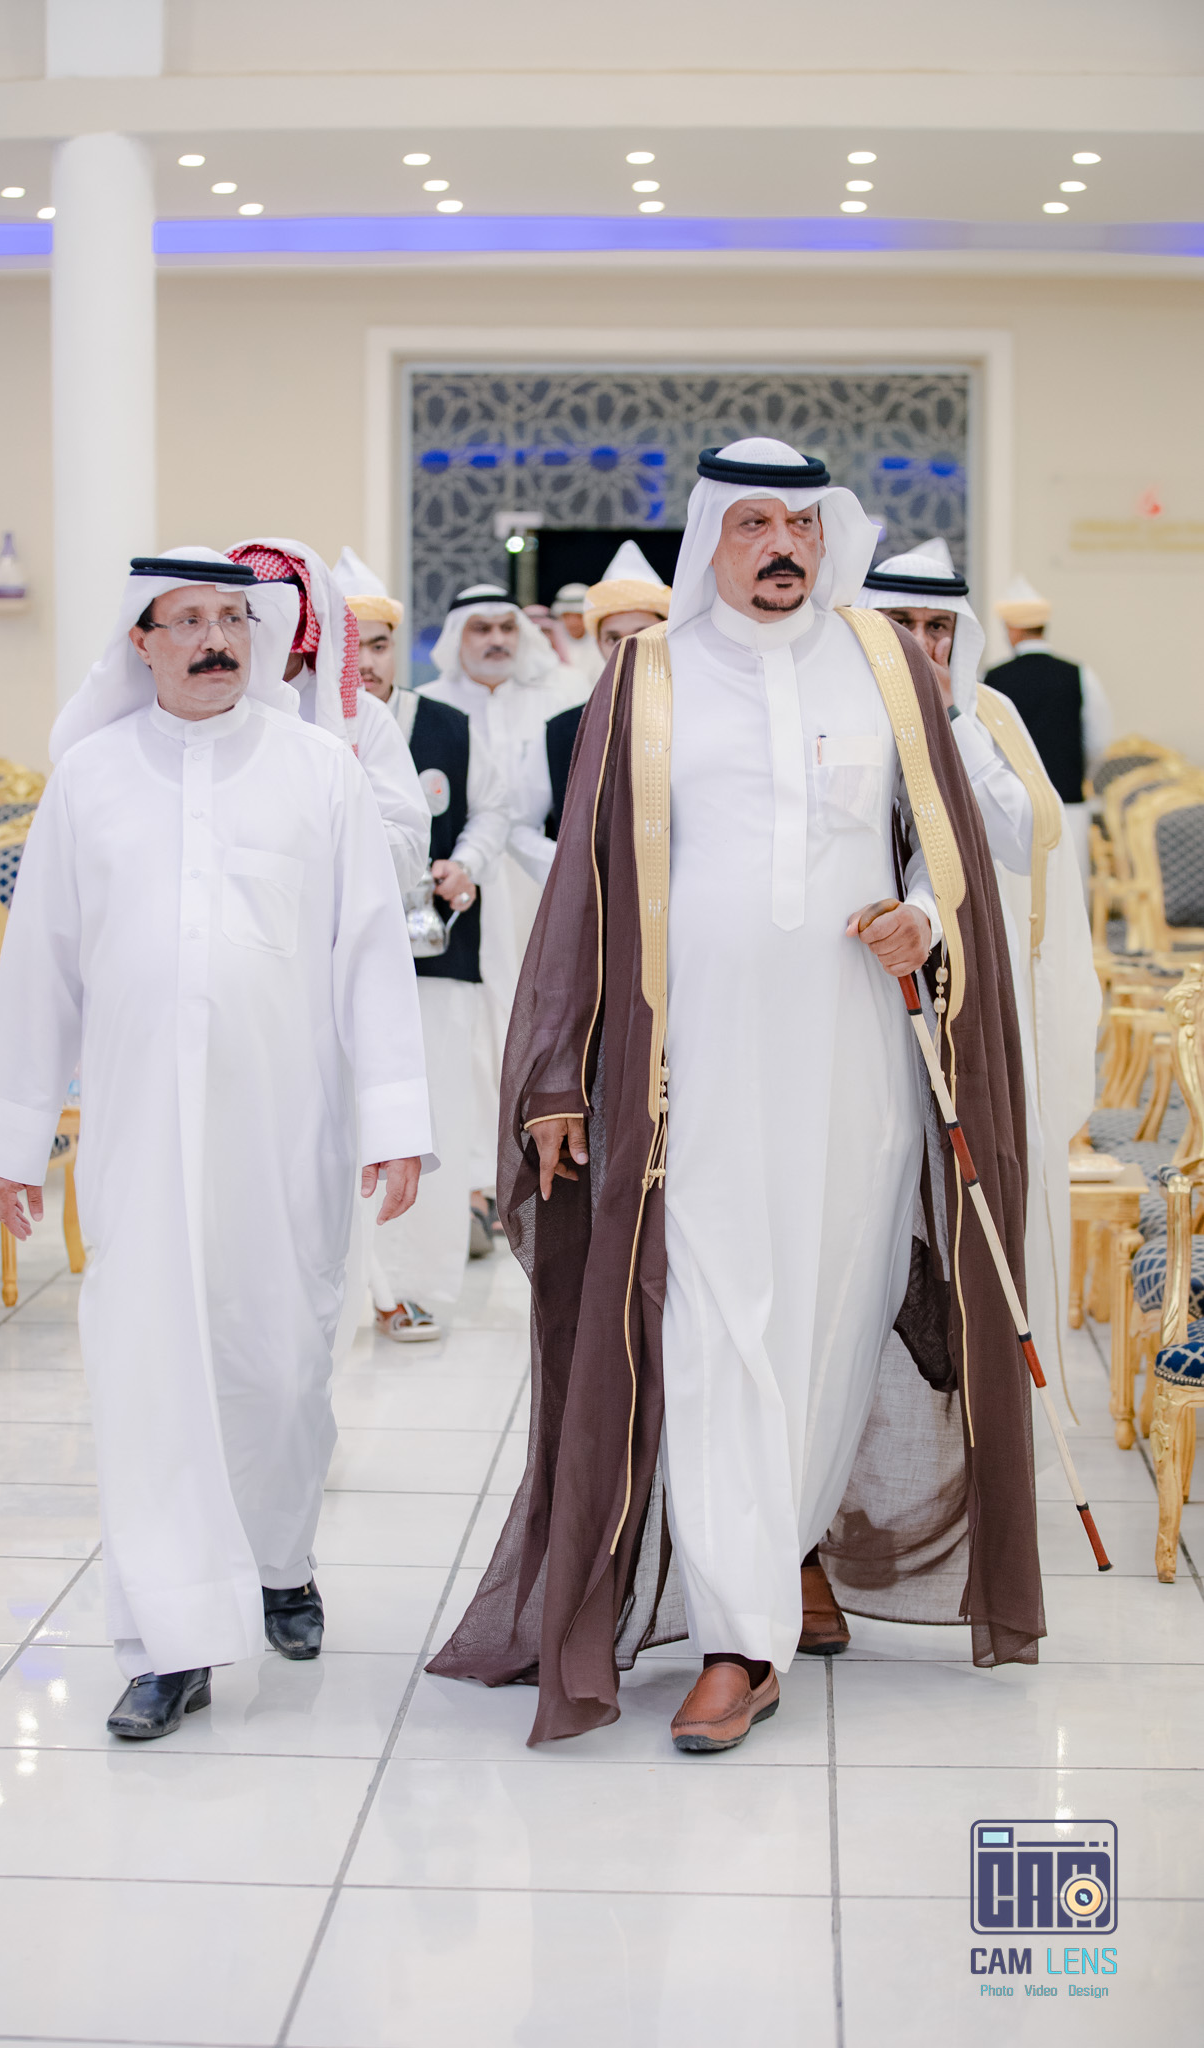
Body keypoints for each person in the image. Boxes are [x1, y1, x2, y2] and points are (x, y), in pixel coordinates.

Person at [429, 439, 1038, 1755]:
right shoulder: (649, 673)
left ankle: (782, 1550)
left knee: (831, 1319)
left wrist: (924, 918)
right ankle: (737, 1637)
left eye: (800, 523)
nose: (780, 544)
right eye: (752, 521)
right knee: (711, 1324)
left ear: (826, 538)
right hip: (689, 1066)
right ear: (712, 536)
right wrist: (556, 1068)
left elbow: (945, 849)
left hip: (854, 1067)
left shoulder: (885, 663)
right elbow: (587, 882)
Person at [0, 549, 432, 1740]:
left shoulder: (320, 772)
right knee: (147, 1367)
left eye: (233, 618)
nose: (215, 639)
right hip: (135, 1134)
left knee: (279, 1369)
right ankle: (166, 1638)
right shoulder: (89, 779)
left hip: (289, 1126)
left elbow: (370, 955)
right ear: (143, 639)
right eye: (188, 620)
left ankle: (279, 1562)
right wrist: (12, 1135)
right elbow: (41, 963)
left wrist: (395, 1120)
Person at [862, 540, 1101, 1411]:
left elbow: (1027, 838)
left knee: (955, 1215)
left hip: (959, 1006)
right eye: (899, 623)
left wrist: (948, 715)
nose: (920, 643)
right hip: (845, 1009)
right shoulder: (828, 711)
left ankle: (959, 1422)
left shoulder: (985, 714)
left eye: (938, 627)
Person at [333, 548, 511, 1321]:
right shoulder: (293, 730)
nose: (366, 664)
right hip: (333, 963)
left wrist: (466, 864)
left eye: (378, 646)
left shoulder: (447, 725)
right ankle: (348, 1287)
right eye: (351, 647)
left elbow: (493, 810)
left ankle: (415, 1289)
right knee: (339, 1118)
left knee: (432, 1115)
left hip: (438, 952)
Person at [419, 585, 578, 1236]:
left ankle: (530, 1172)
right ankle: (472, 1186)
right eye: (480, 629)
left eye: (505, 628)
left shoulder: (556, 703)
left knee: (532, 1022)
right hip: (463, 898)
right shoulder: (429, 707)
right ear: (456, 636)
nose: (495, 641)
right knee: (472, 1035)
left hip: (537, 891)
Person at [225, 537, 430, 893]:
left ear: (302, 622)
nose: (253, 629)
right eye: (236, 616)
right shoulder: (206, 709)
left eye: (263, 615)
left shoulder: (365, 715)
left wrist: (302, 834)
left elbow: (409, 853)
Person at [538, 542, 674, 845]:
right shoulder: (564, 731)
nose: (626, 648)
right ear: (598, 643)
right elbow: (520, 825)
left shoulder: (705, 718)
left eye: (642, 634)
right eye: (613, 638)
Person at [985, 574, 1115, 882]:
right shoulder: (1079, 674)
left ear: (1013, 629)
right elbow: (1099, 740)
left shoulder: (993, 678)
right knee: (1067, 883)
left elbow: (986, 743)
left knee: (1017, 889)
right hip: (1066, 800)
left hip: (1011, 806)